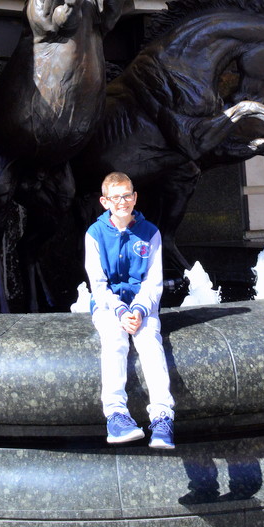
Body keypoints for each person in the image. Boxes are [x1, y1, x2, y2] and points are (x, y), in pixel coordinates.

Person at [84, 171, 175, 447]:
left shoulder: (151, 233)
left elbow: (153, 282)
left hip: (143, 306)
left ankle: (162, 417)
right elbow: (98, 285)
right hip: (108, 307)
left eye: (126, 196)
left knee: (150, 342)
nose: (122, 202)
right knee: (114, 340)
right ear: (105, 202)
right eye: (115, 197)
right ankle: (116, 415)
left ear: (135, 198)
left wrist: (139, 309)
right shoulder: (94, 234)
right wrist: (121, 312)